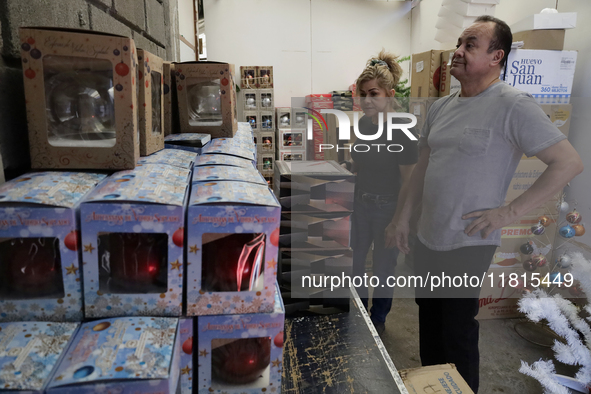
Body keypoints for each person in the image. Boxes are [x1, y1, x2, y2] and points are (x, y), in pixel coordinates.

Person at [390, 15, 583, 393]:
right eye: (459, 43)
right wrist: (402, 218)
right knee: (429, 318)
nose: (457, 52)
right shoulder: (442, 106)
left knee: (457, 330)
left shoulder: (513, 105)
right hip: (429, 235)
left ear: (497, 56)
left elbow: (569, 162)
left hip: (469, 241)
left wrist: (507, 212)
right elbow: (422, 166)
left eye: (470, 45)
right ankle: (433, 386)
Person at [341, 50, 418, 336]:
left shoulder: (403, 131)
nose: (366, 100)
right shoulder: (363, 124)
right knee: (356, 263)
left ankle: (378, 319)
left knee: (384, 269)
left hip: (388, 208)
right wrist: (340, 169)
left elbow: (409, 182)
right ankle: (360, 311)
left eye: (373, 93)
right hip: (361, 205)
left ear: (389, 93)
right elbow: (358, 164)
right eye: (362, 94)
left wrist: (400, 221)